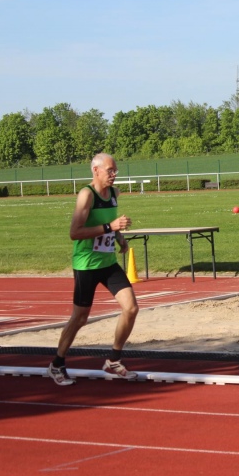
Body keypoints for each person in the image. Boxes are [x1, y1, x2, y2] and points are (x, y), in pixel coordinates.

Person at [47, 153, 139, 386]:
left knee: (131, 308)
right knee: (80, 318)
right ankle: (57, 364)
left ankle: (113, 360)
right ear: (96, 171)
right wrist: (110, 227)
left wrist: (119, 237)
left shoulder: (115, 194)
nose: (114, 174)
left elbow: (110, 223)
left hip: (107, 263)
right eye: (110, 170)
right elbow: (75, 233)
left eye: (115, 170)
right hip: (87, 264)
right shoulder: (86, 195)